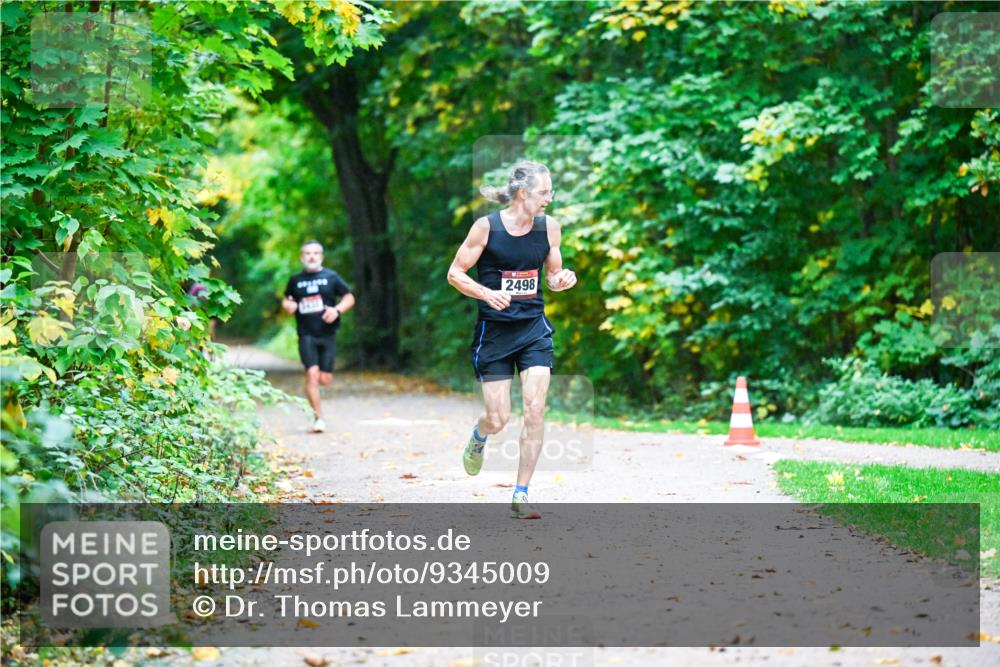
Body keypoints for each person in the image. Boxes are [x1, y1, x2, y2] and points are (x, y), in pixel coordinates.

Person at [446, 161, 577, 519]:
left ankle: (521, 493)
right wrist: (487, 294)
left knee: (535, 410)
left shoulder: (550, 228)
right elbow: (455, 274)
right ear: (523, 193)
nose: (549, 198)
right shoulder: (486, 228)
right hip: (495, 333)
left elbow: (551, 276)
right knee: (499, 417)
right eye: (544, 192)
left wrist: (561, 280)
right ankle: (479, 435)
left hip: (533, 329)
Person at [282, 240, 355, 433]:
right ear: (302, 257)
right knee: (311, 375)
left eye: (315, 253)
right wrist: (288, 306)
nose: (312, 256)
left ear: (321, 256)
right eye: (307, 253)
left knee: (325, 379)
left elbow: (349, 297)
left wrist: (337, 310)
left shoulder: (331, 277)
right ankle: (318, 418)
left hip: (328, 334)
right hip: (306, 334)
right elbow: (288, 299)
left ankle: (320, 391)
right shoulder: (295, 280)